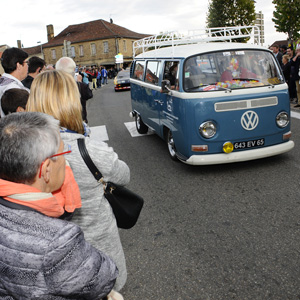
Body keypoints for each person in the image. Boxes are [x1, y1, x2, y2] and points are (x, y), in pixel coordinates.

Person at [26, 70, 130, 296]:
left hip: (52, 252)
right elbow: (123, 175)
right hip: (99, 244)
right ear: (72, 101)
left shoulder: (23, 152)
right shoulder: (90, 147)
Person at [0, 111, 118, 299]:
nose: (66, 161)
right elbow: (103, 277)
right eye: (64, 152)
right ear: (46, 169)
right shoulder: (58, 241)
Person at [55, 57, 93, 123]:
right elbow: (89, 95)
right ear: (73, 70)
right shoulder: (80, 85)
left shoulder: (52, 86)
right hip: (79, 121)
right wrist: (80, 81)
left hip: (60, 122)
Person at [0, 47, 29, 117]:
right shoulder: (13, 88)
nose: (28, 66)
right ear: (18, 65)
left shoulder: (3, 83)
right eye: (26, 62)